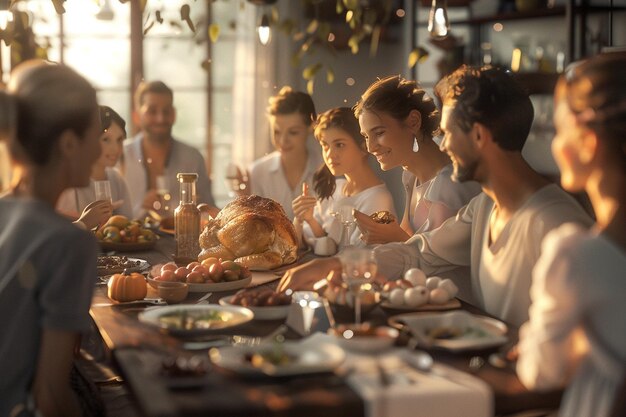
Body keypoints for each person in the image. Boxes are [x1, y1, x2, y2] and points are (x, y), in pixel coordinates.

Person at [279, 65, 591, 327]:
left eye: (448, 132)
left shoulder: (557, 224)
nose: (442, 145)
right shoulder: (482, 207)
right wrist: (332, 266)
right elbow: (418, 252)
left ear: (479, 136)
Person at [516, 53, 626, 417]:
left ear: (588, 141)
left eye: (560, 130)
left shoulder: (575, 255)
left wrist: (577, 344)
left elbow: (539, 373)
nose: (555, 144)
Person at [0, 60, 100, 417]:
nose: (100, 152)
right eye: (96, 136)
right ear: (70, 143)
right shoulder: (69, 243)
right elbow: (51, 396)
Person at [353, 75, 481, 244]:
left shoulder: (448, 184)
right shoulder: (410, 176)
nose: (371, 147)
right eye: (366, 136)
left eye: (379, 133)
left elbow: (439, 262)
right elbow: (408, 236)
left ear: (413, 122)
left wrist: (391, 236)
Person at [291, 107, 395, 249]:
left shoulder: (377, 199)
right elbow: (319, 245)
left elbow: (355, 256)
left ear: (364, 147)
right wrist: (307, 219)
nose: (330, 154)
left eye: (339, 145)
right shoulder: (336, 188)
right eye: (325, 145)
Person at [123, 80, 216, 219]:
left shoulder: (193, 157)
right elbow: (110, 217)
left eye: (166, 111)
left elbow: (208, 211)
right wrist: (140, 208)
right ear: (137, 116)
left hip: (180, 239)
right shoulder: (120, 155)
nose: (160, 118)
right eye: (152, 111)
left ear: (174, 114)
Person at [246, 86, 323, 219]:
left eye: (293, 132)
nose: (283, 141)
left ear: (311, 126)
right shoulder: (257, 172)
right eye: (276, 132)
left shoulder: (326, 169)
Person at [57, 105, 133, 229]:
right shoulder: (70, 183)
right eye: (106, 139)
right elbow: (61, 233)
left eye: (119, 140)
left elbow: (130, 226)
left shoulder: (116, 179)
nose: (115, 148)